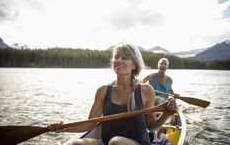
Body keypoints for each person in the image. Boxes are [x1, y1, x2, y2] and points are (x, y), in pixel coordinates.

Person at [48, 44, 177, 145]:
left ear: (134, 65)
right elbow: (89, 124)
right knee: (77, 143)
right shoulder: (103, 91)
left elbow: (151, 126)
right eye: (116, 57)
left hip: (137, 142)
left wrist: (166, 114)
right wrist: (63, 128)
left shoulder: (146, 91)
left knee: (117, 142)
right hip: (107, 142)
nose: (118, 60)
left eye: (124, 58)